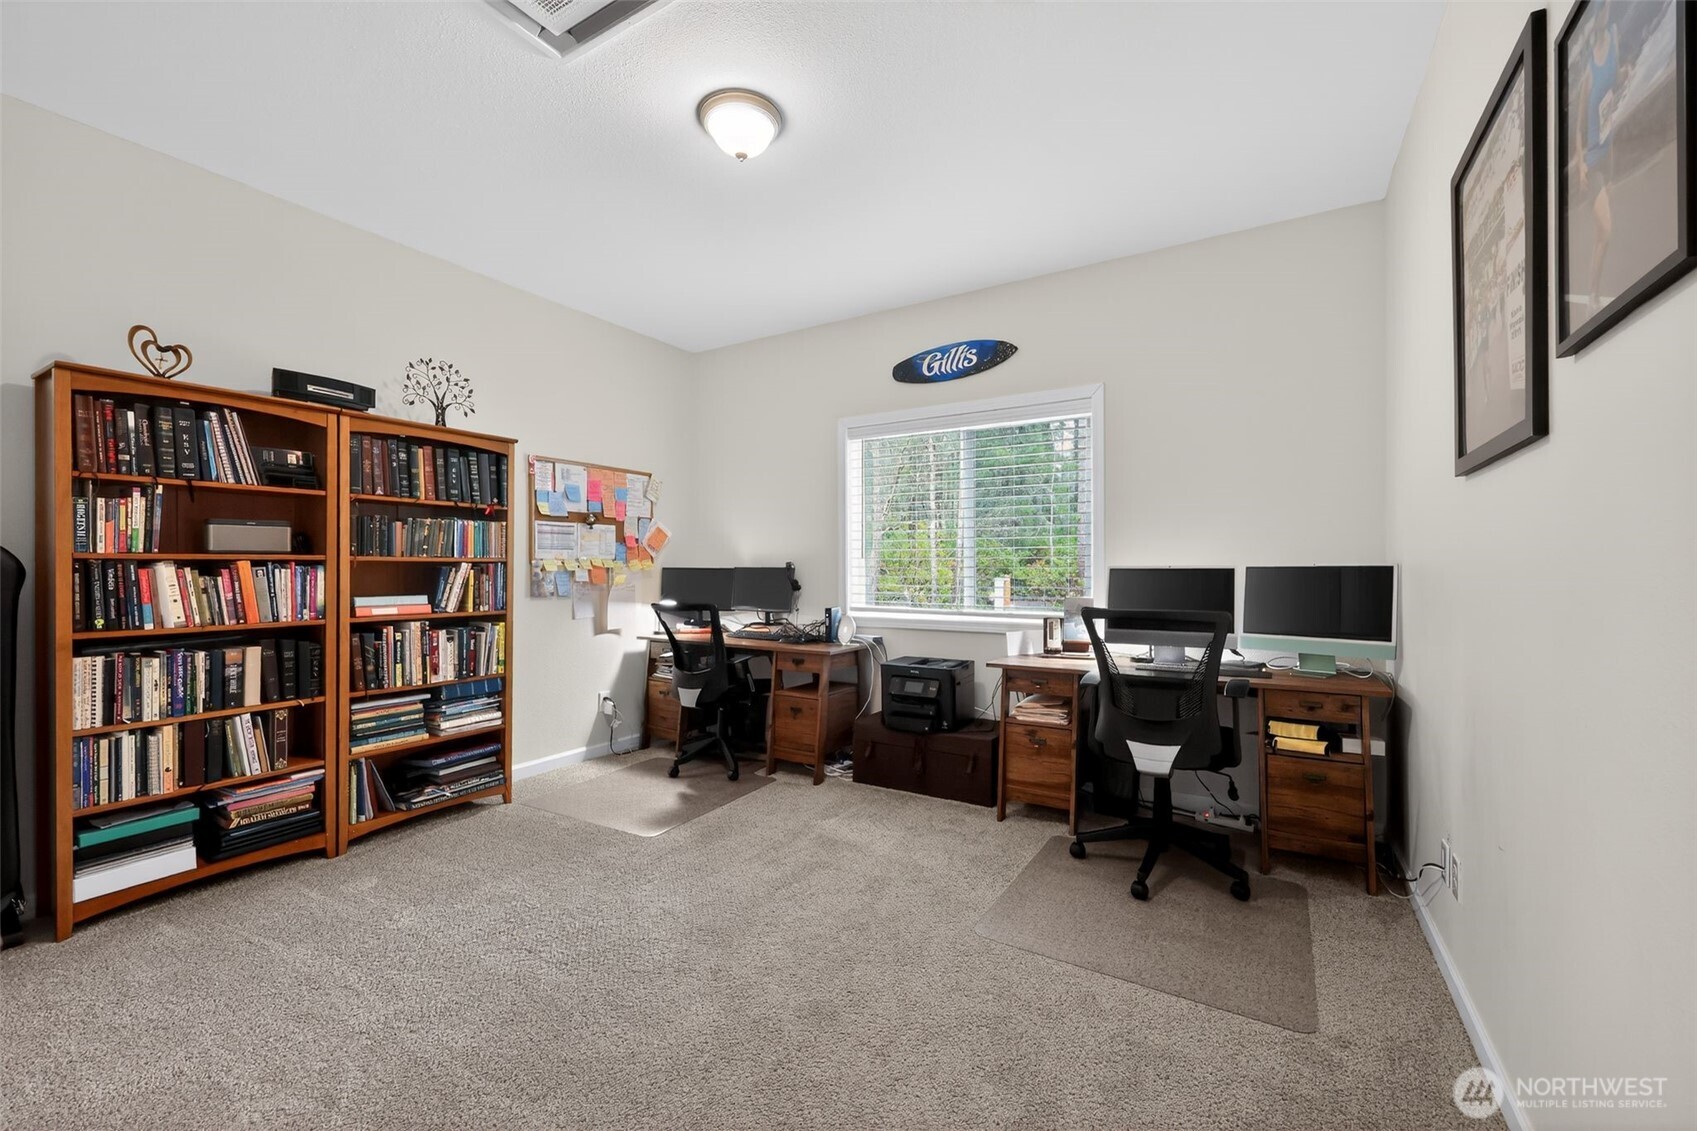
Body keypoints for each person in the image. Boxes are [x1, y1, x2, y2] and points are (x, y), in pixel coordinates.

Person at [1574, 2, 1624, 317]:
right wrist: (1580, 163)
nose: (1604, 13)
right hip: (1592, 159)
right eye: (1600, 10)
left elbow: (1617, 79)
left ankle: (1595, 290)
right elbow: (1578, 126)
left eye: (1606, 7)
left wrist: (1627, 72)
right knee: (1605, 230)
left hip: (1611, 152)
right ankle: (1592, 294)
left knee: (1601, 238)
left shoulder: (1616, 38)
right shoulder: (1587, 74)